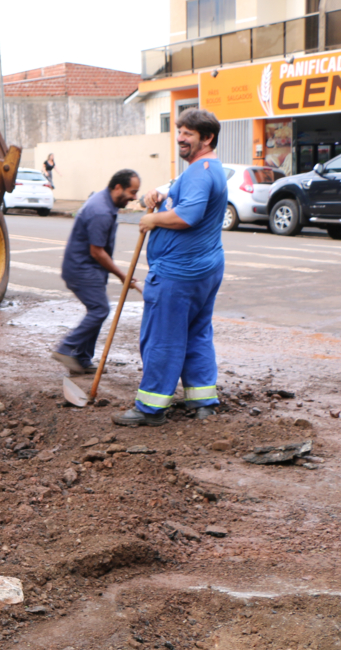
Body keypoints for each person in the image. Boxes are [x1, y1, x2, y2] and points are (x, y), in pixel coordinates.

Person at [112, 109, 226, 427]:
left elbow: (188, 216)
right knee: (197, 334)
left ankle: (150, 408)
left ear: (207, 138)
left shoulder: (200, 171)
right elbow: (182, 196)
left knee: (162, 338)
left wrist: (151, 218)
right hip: (205, 268)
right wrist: (161, 195)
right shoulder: (207, 169)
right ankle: (203, 400)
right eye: (179, 131)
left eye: (188, 133)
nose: (180, 137)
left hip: (179, 274)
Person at [52, 169, 141, 375]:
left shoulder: (105, 202)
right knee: (100, 310)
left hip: (90, 267)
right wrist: (122, 276)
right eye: (132, 192)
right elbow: (97, 252)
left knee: (97, 310)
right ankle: (66, 348)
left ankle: (82, 358)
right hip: (82, 268)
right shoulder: (100, 210)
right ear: (117, 187)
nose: (134, 197)